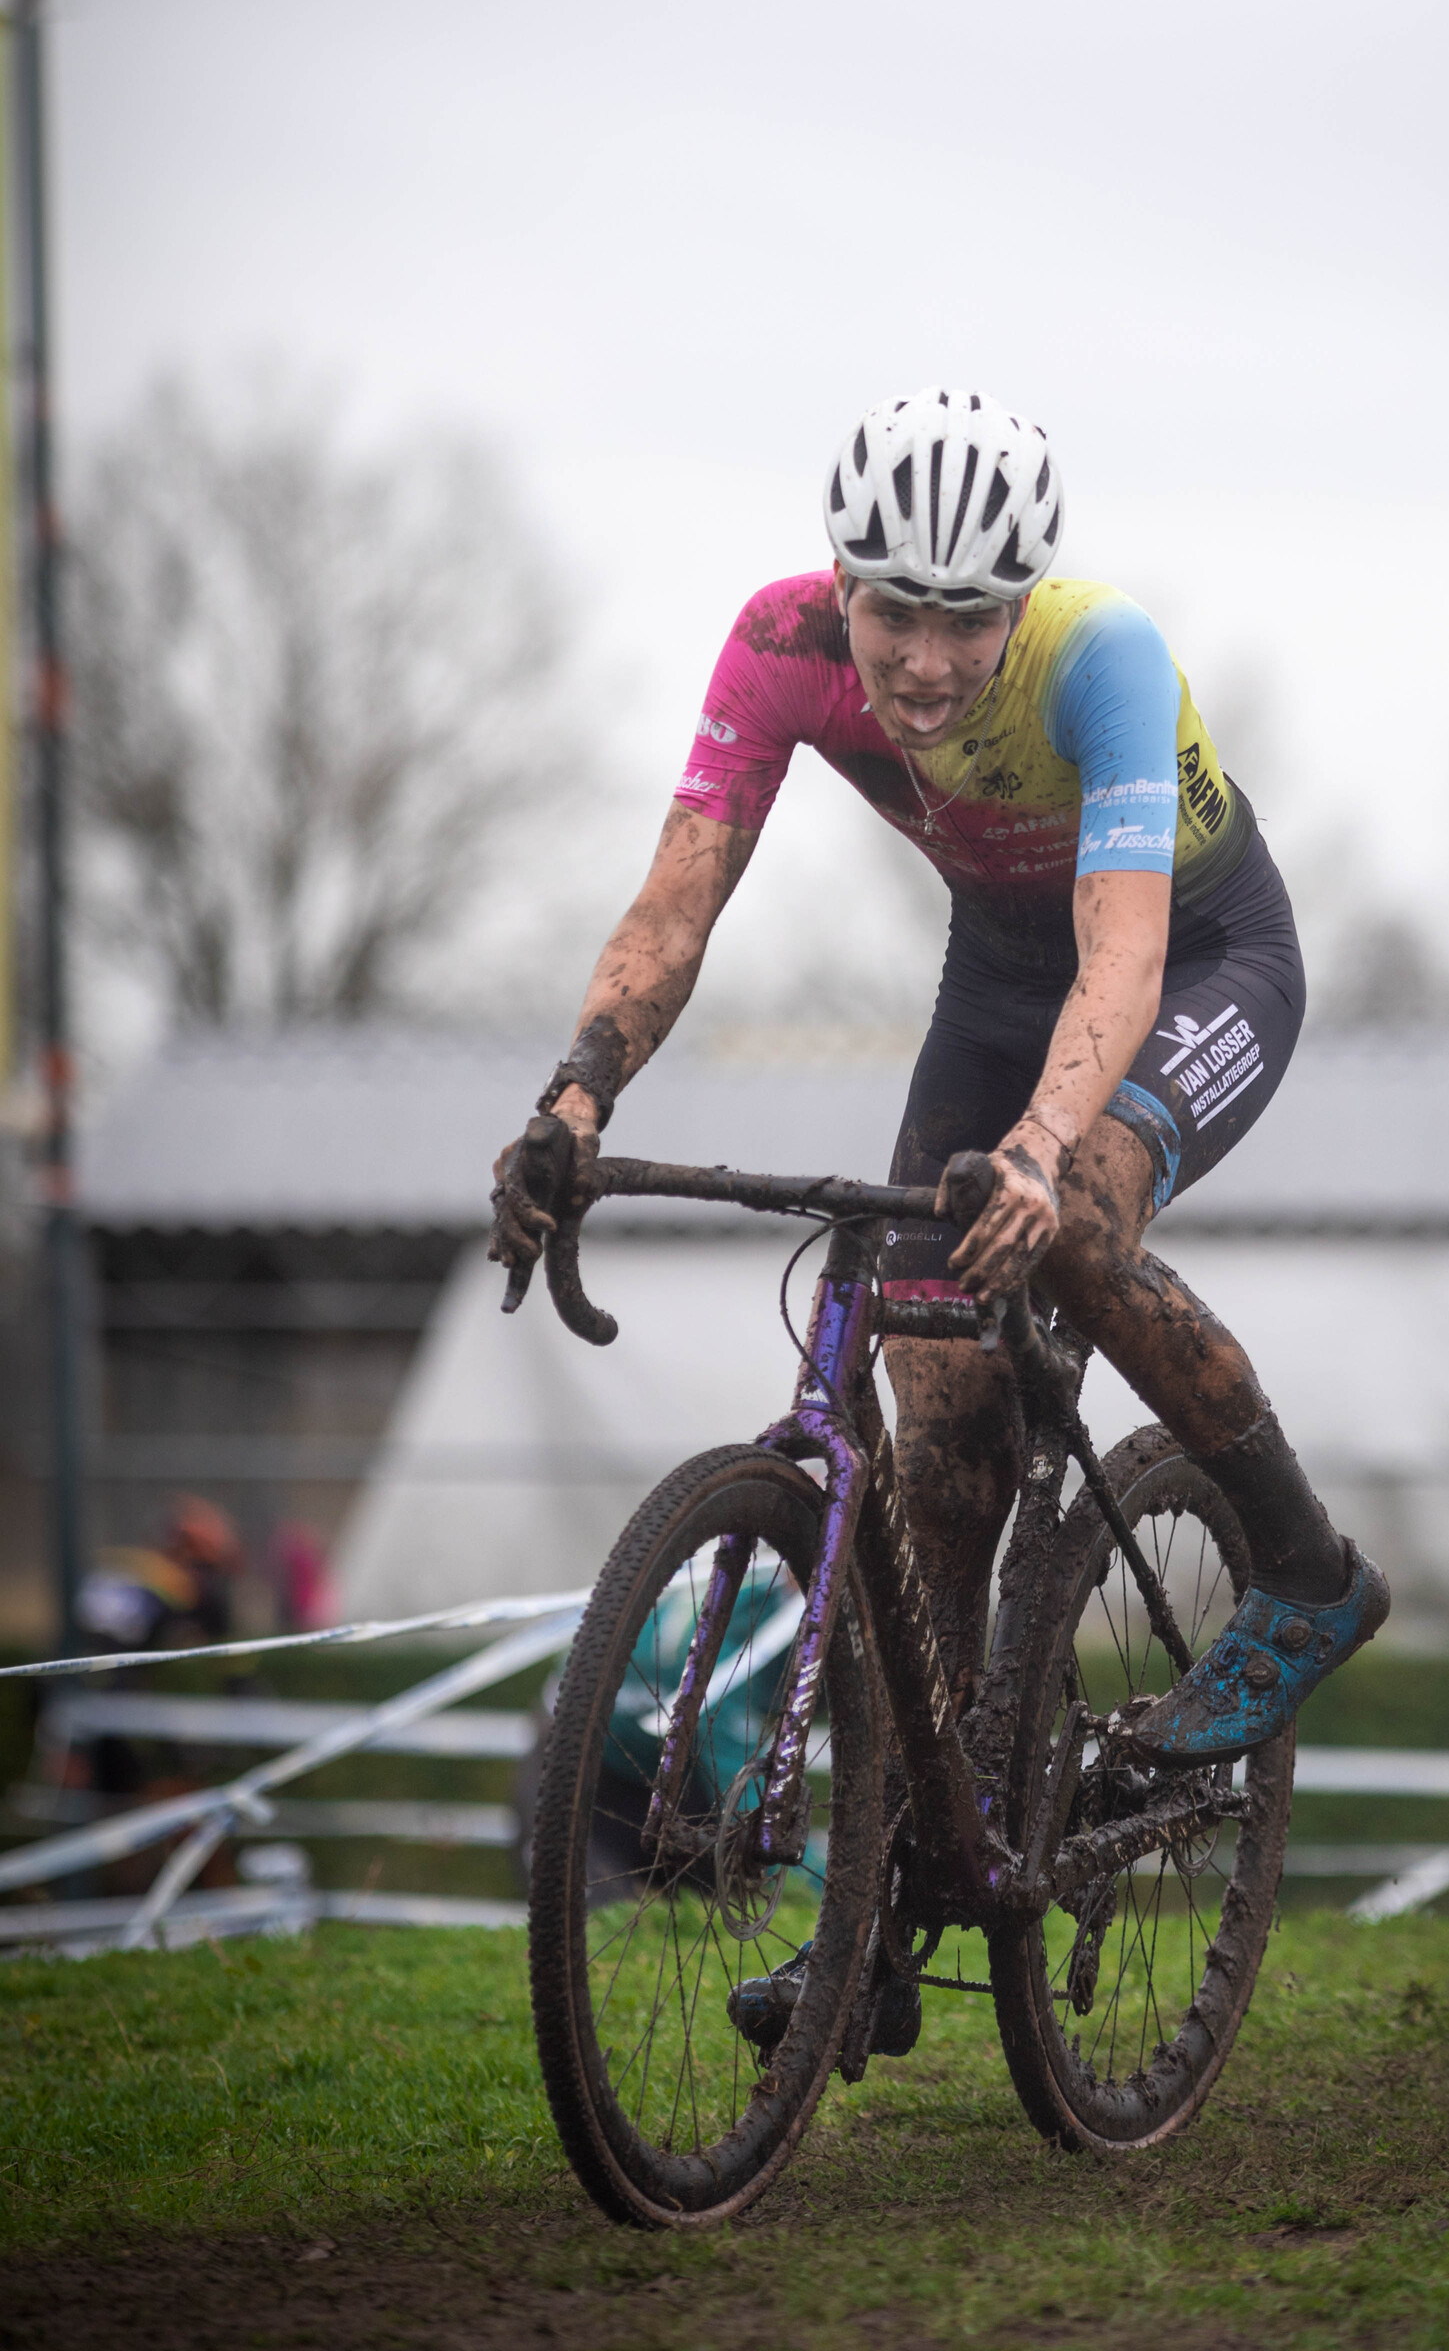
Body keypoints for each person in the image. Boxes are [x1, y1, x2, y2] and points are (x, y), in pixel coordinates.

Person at [489, 389, 1386, 2036]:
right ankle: (898, 1892)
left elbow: (1122, 957)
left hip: (1196, 959)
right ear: (839, 577)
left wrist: (1045, 1149)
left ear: (1022, 601)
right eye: (891, 607)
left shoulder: (1101, 657)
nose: (918, 657)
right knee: (939, 1408)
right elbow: (679, 898)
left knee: (1085, 1218)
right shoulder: (777, 644)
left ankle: (1308, 1564)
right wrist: (576, 1097)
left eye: (963, 617)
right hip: (998, 970)